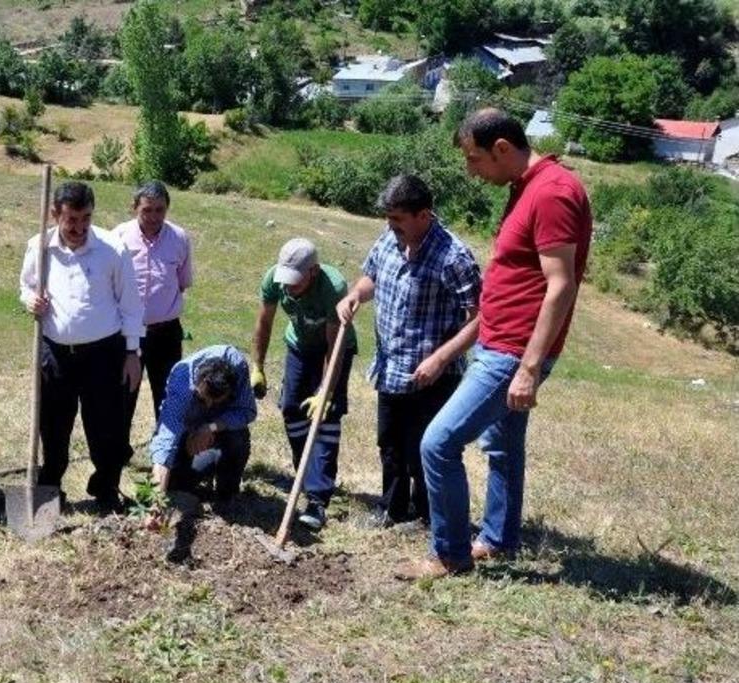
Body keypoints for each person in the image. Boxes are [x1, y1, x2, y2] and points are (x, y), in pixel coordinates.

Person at [394, 108, 592, 580]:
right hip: (499, 341)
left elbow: (560, 284)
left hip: (513, 351)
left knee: (438, 444)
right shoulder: (526, 187)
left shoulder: (554, 192)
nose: (471, 171)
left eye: (474, 159)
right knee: (502, 448)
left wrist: (528, 367)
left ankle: (449, 553)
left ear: (502, 148)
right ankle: (499, 539)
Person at [337, 175, 482, 531]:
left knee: (426, 449)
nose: (391, 227)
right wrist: (355, 295)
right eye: (389, 219)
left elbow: (480, 319)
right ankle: (393, 509)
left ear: (423, 215)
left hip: (432, 375)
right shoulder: (389, 240)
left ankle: (431, 517)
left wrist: (441, 358)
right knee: (390, 445)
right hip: (391, 366)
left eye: (398, 219)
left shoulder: (454, 257)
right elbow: (371, 277)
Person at [19, 181, 144, 513]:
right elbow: (26, 286)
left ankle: (106, 487)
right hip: (56, 353)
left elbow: (131, 304)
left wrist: (132, 353)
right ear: (55, 214)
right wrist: (31, 300)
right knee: (54, 424)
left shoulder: (112, 248)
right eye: (71, 220)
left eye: (85, 218)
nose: (79, 228)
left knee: (105, 425)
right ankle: (49, 490)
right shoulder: (39, 247)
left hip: (104, 353)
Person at [251, 238, 356, 530]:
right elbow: (264, 322)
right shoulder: (274, 280)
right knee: (291, 409)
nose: (288, 288)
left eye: (295, 282)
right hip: (298, 345)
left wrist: (326, 391)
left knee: (326, 415)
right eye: (286, 281)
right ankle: (305, 478)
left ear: (314, 271)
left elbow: (334, 347)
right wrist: (257, 367)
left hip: (333, 350)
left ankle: (318, 500)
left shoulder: (332, 288)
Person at [112, 180, 194, 458]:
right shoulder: (119, 237)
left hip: (166, 332)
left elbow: (182, 282)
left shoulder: (179, 238)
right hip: (127, 332)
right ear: (135, 208)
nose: (154, 217)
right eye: (147, 210)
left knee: (169, 394)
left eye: (160, 210)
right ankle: (118, 452)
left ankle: (166, 452)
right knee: (123, 394)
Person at [149, 345, 257, 504]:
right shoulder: (182, 381)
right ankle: (210, 461)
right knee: (175, 483)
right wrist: (156, 502)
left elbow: (247, 411)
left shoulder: (238, 367)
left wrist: (210, 427)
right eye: (202, 399)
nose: (208, 406)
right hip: (188, 435)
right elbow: (166, 439)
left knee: (238, 438)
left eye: (216, 402)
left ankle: (226, 493)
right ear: (199, 381)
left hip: (220, 431)